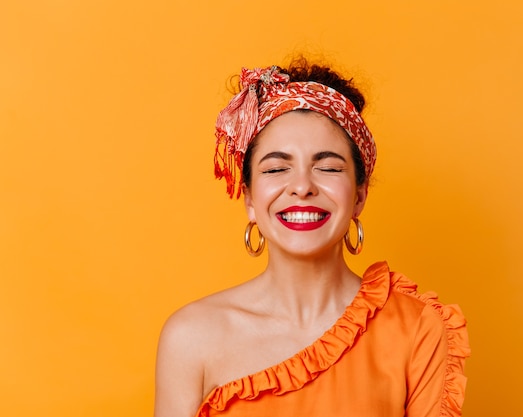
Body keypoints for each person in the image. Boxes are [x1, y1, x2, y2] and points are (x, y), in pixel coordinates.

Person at [154, 59, 470, 417]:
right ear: (250, 200)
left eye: (328, 167)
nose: (302, 186)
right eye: (276, 169)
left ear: (359, 196)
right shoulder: (190, 337)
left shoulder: (415, 328)